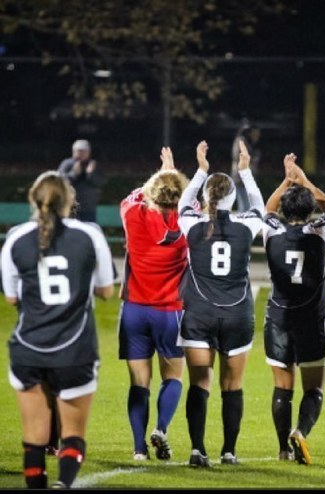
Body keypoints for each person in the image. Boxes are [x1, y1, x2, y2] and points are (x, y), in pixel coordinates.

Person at [0, 171, 114, 489]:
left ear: (34, 200)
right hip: (75, 348)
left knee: (34, 439)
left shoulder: (15, 239)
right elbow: (106, 290)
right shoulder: (89, 235)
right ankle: (64, 484)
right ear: (69, 201)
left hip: (29, 347)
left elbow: (11, 297)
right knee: (73, 434)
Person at [177, 139, 264, 467]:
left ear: (206, 198)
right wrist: (246, 172)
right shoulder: (246, 225)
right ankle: (229, 451)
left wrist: (200, 171)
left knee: (200, 382)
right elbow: (260, 206)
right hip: (237, 313)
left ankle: (198, 449)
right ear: (231, 198)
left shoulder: (192, 224)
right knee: (233, 384)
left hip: (199, 312)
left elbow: (184, 204)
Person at [262, 152, 325, 465]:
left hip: (278, 318)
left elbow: (267, 208)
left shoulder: (271, 232)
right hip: (312, 320)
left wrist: (286, 177)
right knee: (314, 388)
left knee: (283, 387)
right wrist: (303, 179)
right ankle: (301, 432)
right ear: (308, 210)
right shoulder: (320, 232)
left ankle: (282, 449)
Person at [118, 147, 189, 461]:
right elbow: (190, 202)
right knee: (173, 377)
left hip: (135, 310)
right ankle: (160, 428)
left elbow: (135, 196)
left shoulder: (132, 213)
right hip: (170, 311)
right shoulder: (187, 221)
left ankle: (138, 448)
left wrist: (163, 171)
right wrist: (173, 176)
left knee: (139, 382)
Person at [57, 139, 106, 222]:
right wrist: (73, 174)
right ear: (74, 151)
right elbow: (59, 183)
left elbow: (101, 182)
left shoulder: (93, 164)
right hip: (70, 208)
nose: (82, 153)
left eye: (84, 151)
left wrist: (90, 174)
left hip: (88, 209)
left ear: (89, 152)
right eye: (79, 151)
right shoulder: (67, 164)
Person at [230, 120, 261, 212]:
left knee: (246, 205)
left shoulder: (245, 142)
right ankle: (243, 224)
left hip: (244, 177)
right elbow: (238, 157)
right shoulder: (240, 141)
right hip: (240, 177)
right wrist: (253, 158)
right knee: (245, 206)